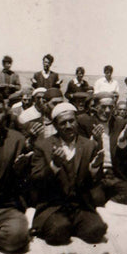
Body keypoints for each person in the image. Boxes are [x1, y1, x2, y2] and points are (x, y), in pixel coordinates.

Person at [30, 103, 107, 246]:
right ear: (55, 126)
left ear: (76, 121)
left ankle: (73, 225)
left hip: (80, 206)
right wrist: (54, 166)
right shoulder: (43, 146)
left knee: (97, 231)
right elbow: (36, 181)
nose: (68, 126)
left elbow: (93, 183)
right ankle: (60, 225)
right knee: (58, 233)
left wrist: (95, 167)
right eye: (63, 123)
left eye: (71, 121)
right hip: (53, 207)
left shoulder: (89, 145)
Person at [0, 93, 31, 254]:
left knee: (18, 236)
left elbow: (26, 186)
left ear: (5, 113)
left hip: (4, 207)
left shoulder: (17, 140)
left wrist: (21, 172)